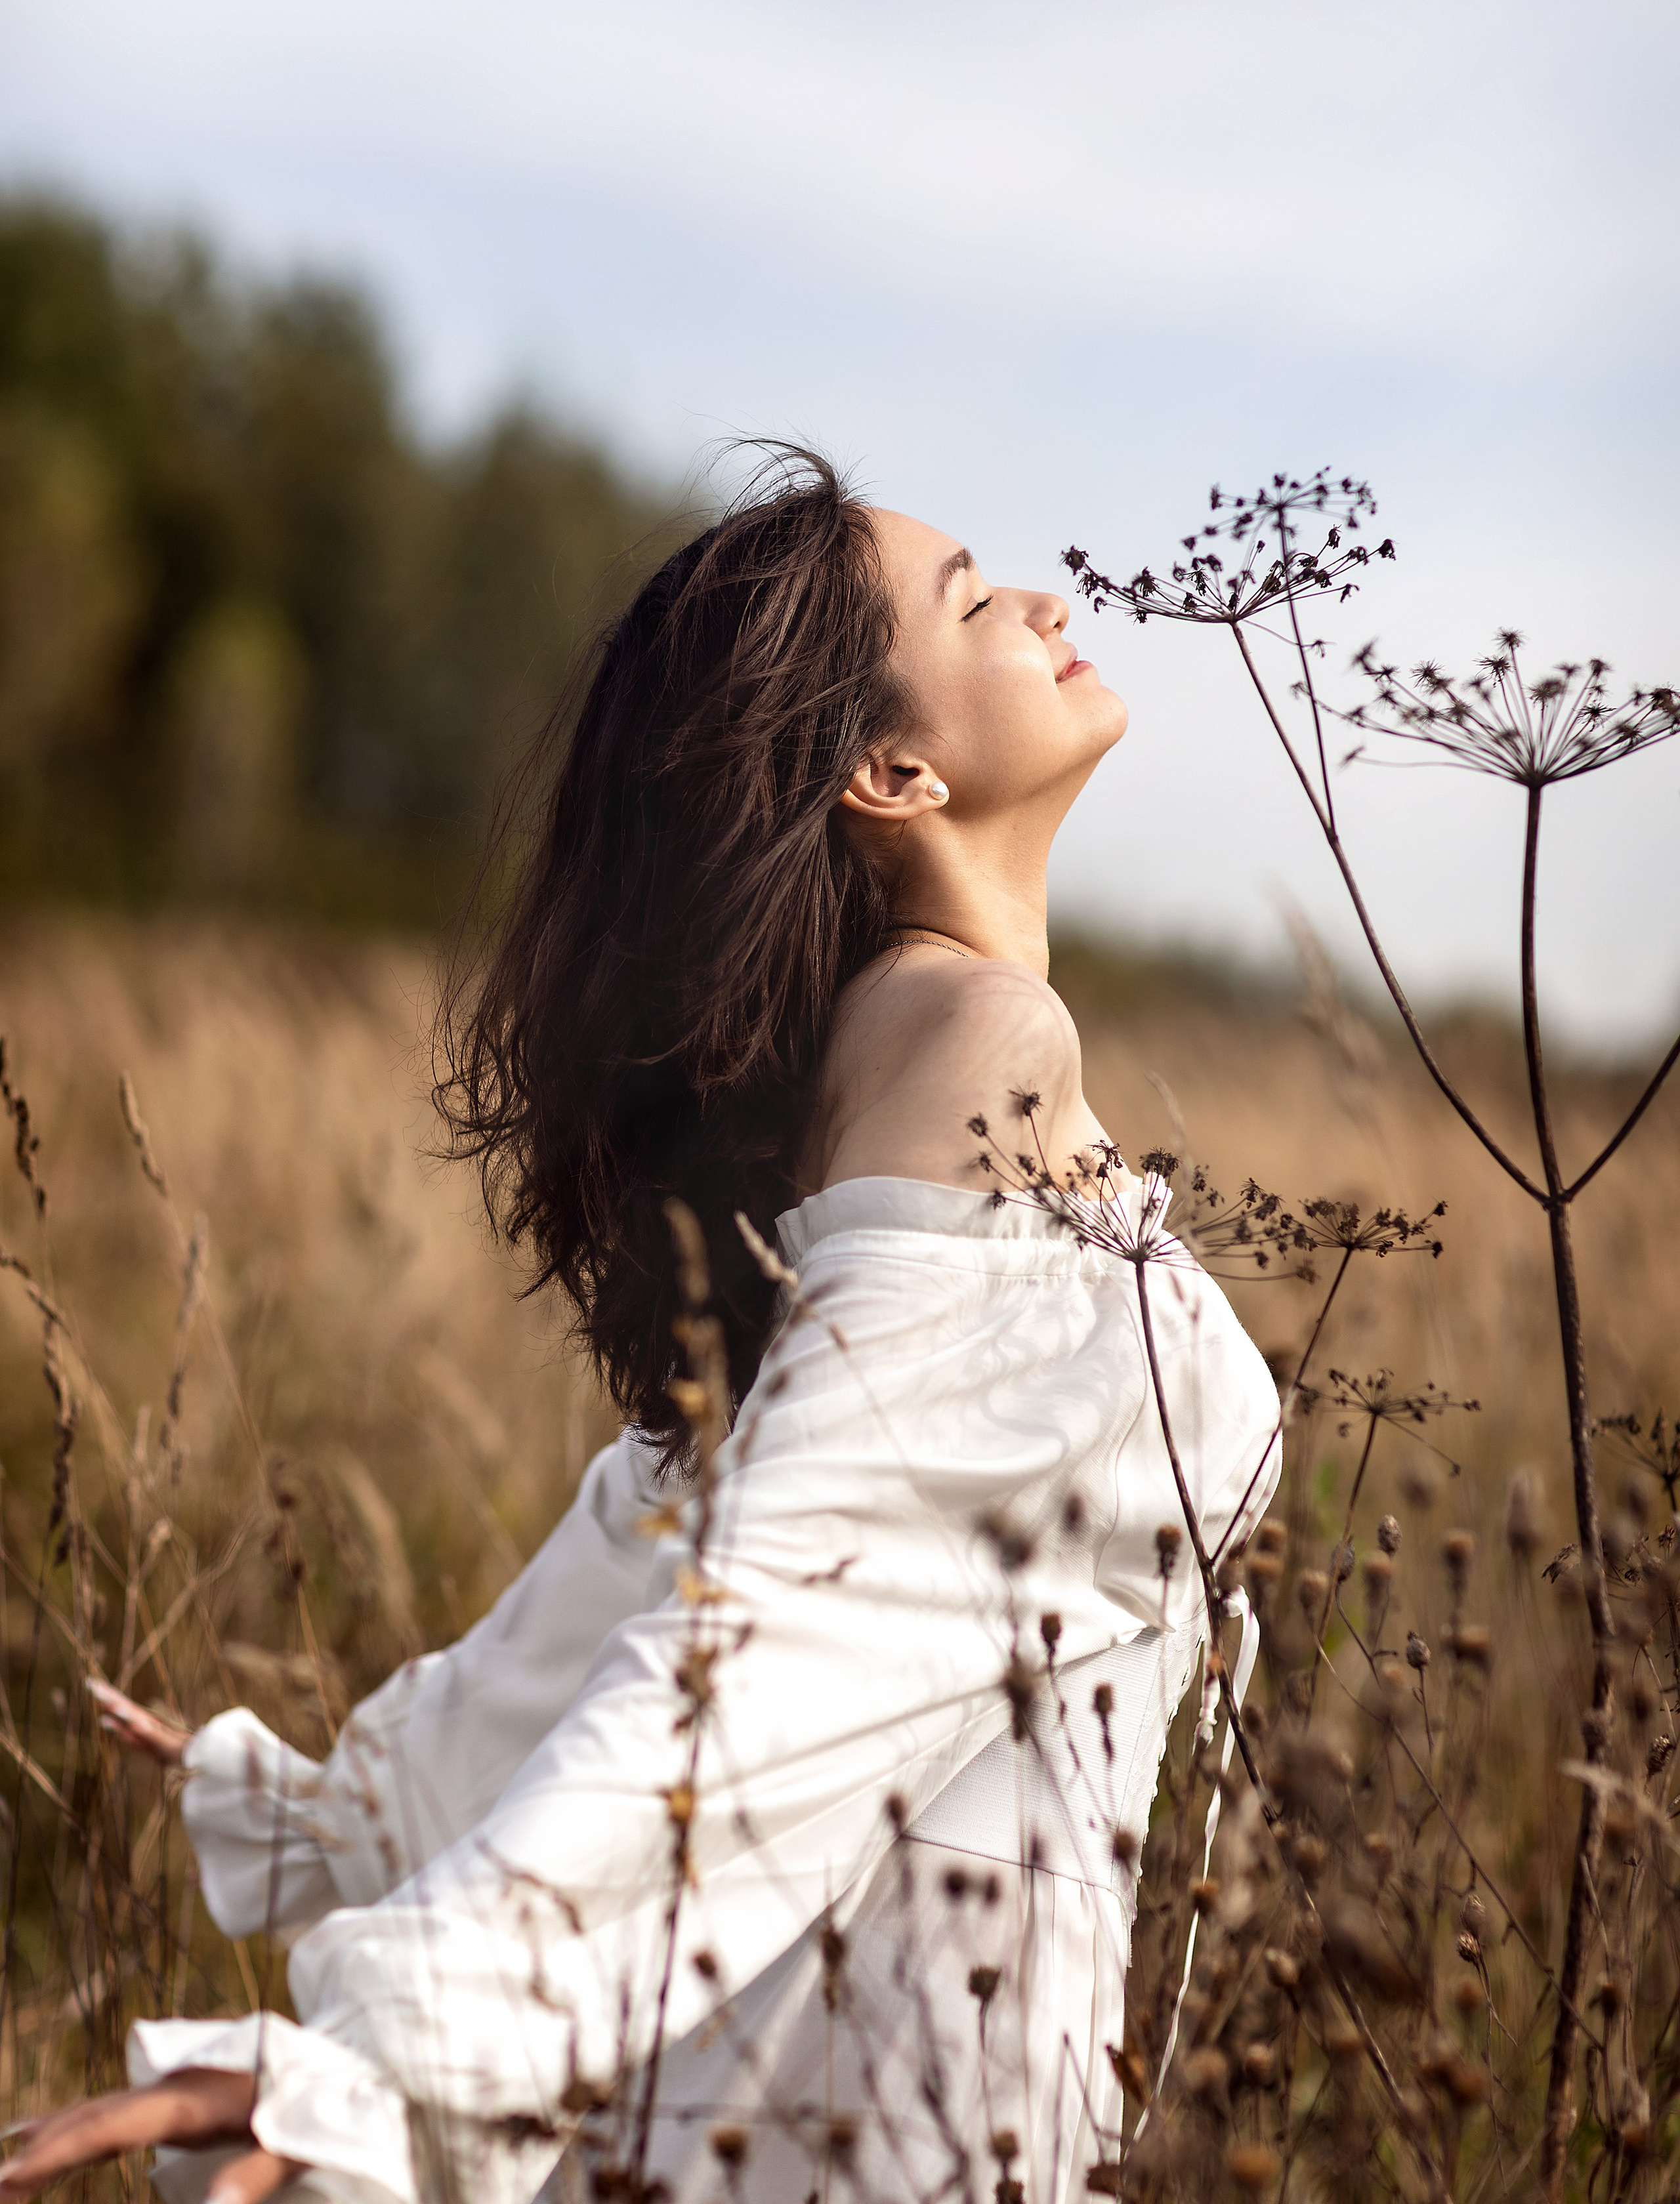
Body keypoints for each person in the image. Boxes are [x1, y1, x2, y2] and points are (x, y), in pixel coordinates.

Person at [0, 451, 1280, 2204]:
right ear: (889, 773)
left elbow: (675, 1540)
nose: (1046, 604)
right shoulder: (984, 1047)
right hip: (904, 2105)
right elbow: (787, 1600)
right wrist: (405, 2051)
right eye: (978, 598)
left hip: (836, 2057)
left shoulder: (870, 1064)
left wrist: (361, 1809)